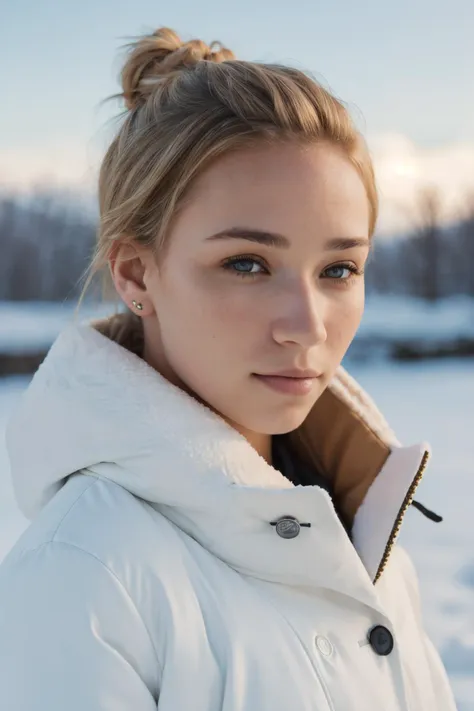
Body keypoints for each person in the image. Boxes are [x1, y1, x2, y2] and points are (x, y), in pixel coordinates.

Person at [0, 26, 456, 711]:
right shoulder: (84, 575)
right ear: (135, 274)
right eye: (247, 264)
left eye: (339, 268)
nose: (307, 324)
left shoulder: (362, 533)